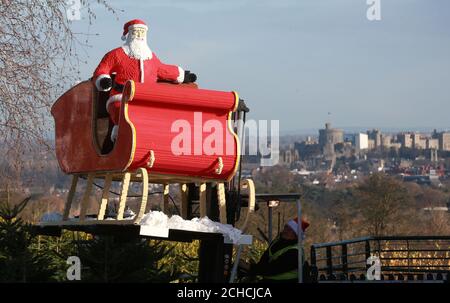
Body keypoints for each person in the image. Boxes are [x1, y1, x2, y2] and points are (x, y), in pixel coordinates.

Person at [92, 19, 197, 141]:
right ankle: (119, 140)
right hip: (121, 98)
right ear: (129, 35)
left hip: (146, 100)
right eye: (137, 32)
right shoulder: (117, 54)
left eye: (142, 33)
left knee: (157, 117)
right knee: (122, 113)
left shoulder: (151, 57)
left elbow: (164, 70)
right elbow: (103, 69)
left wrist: (182, 75)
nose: (139, 36)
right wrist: (103, 80)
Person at [240, 217, 310, 282]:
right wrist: (253, 268)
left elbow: (273, 269)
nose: (285, 231)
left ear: (296, 235)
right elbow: (265, 259)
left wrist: (250, 268)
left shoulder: (295, 252)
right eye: (286, 227)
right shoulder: (278, 242)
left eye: (290, 230)